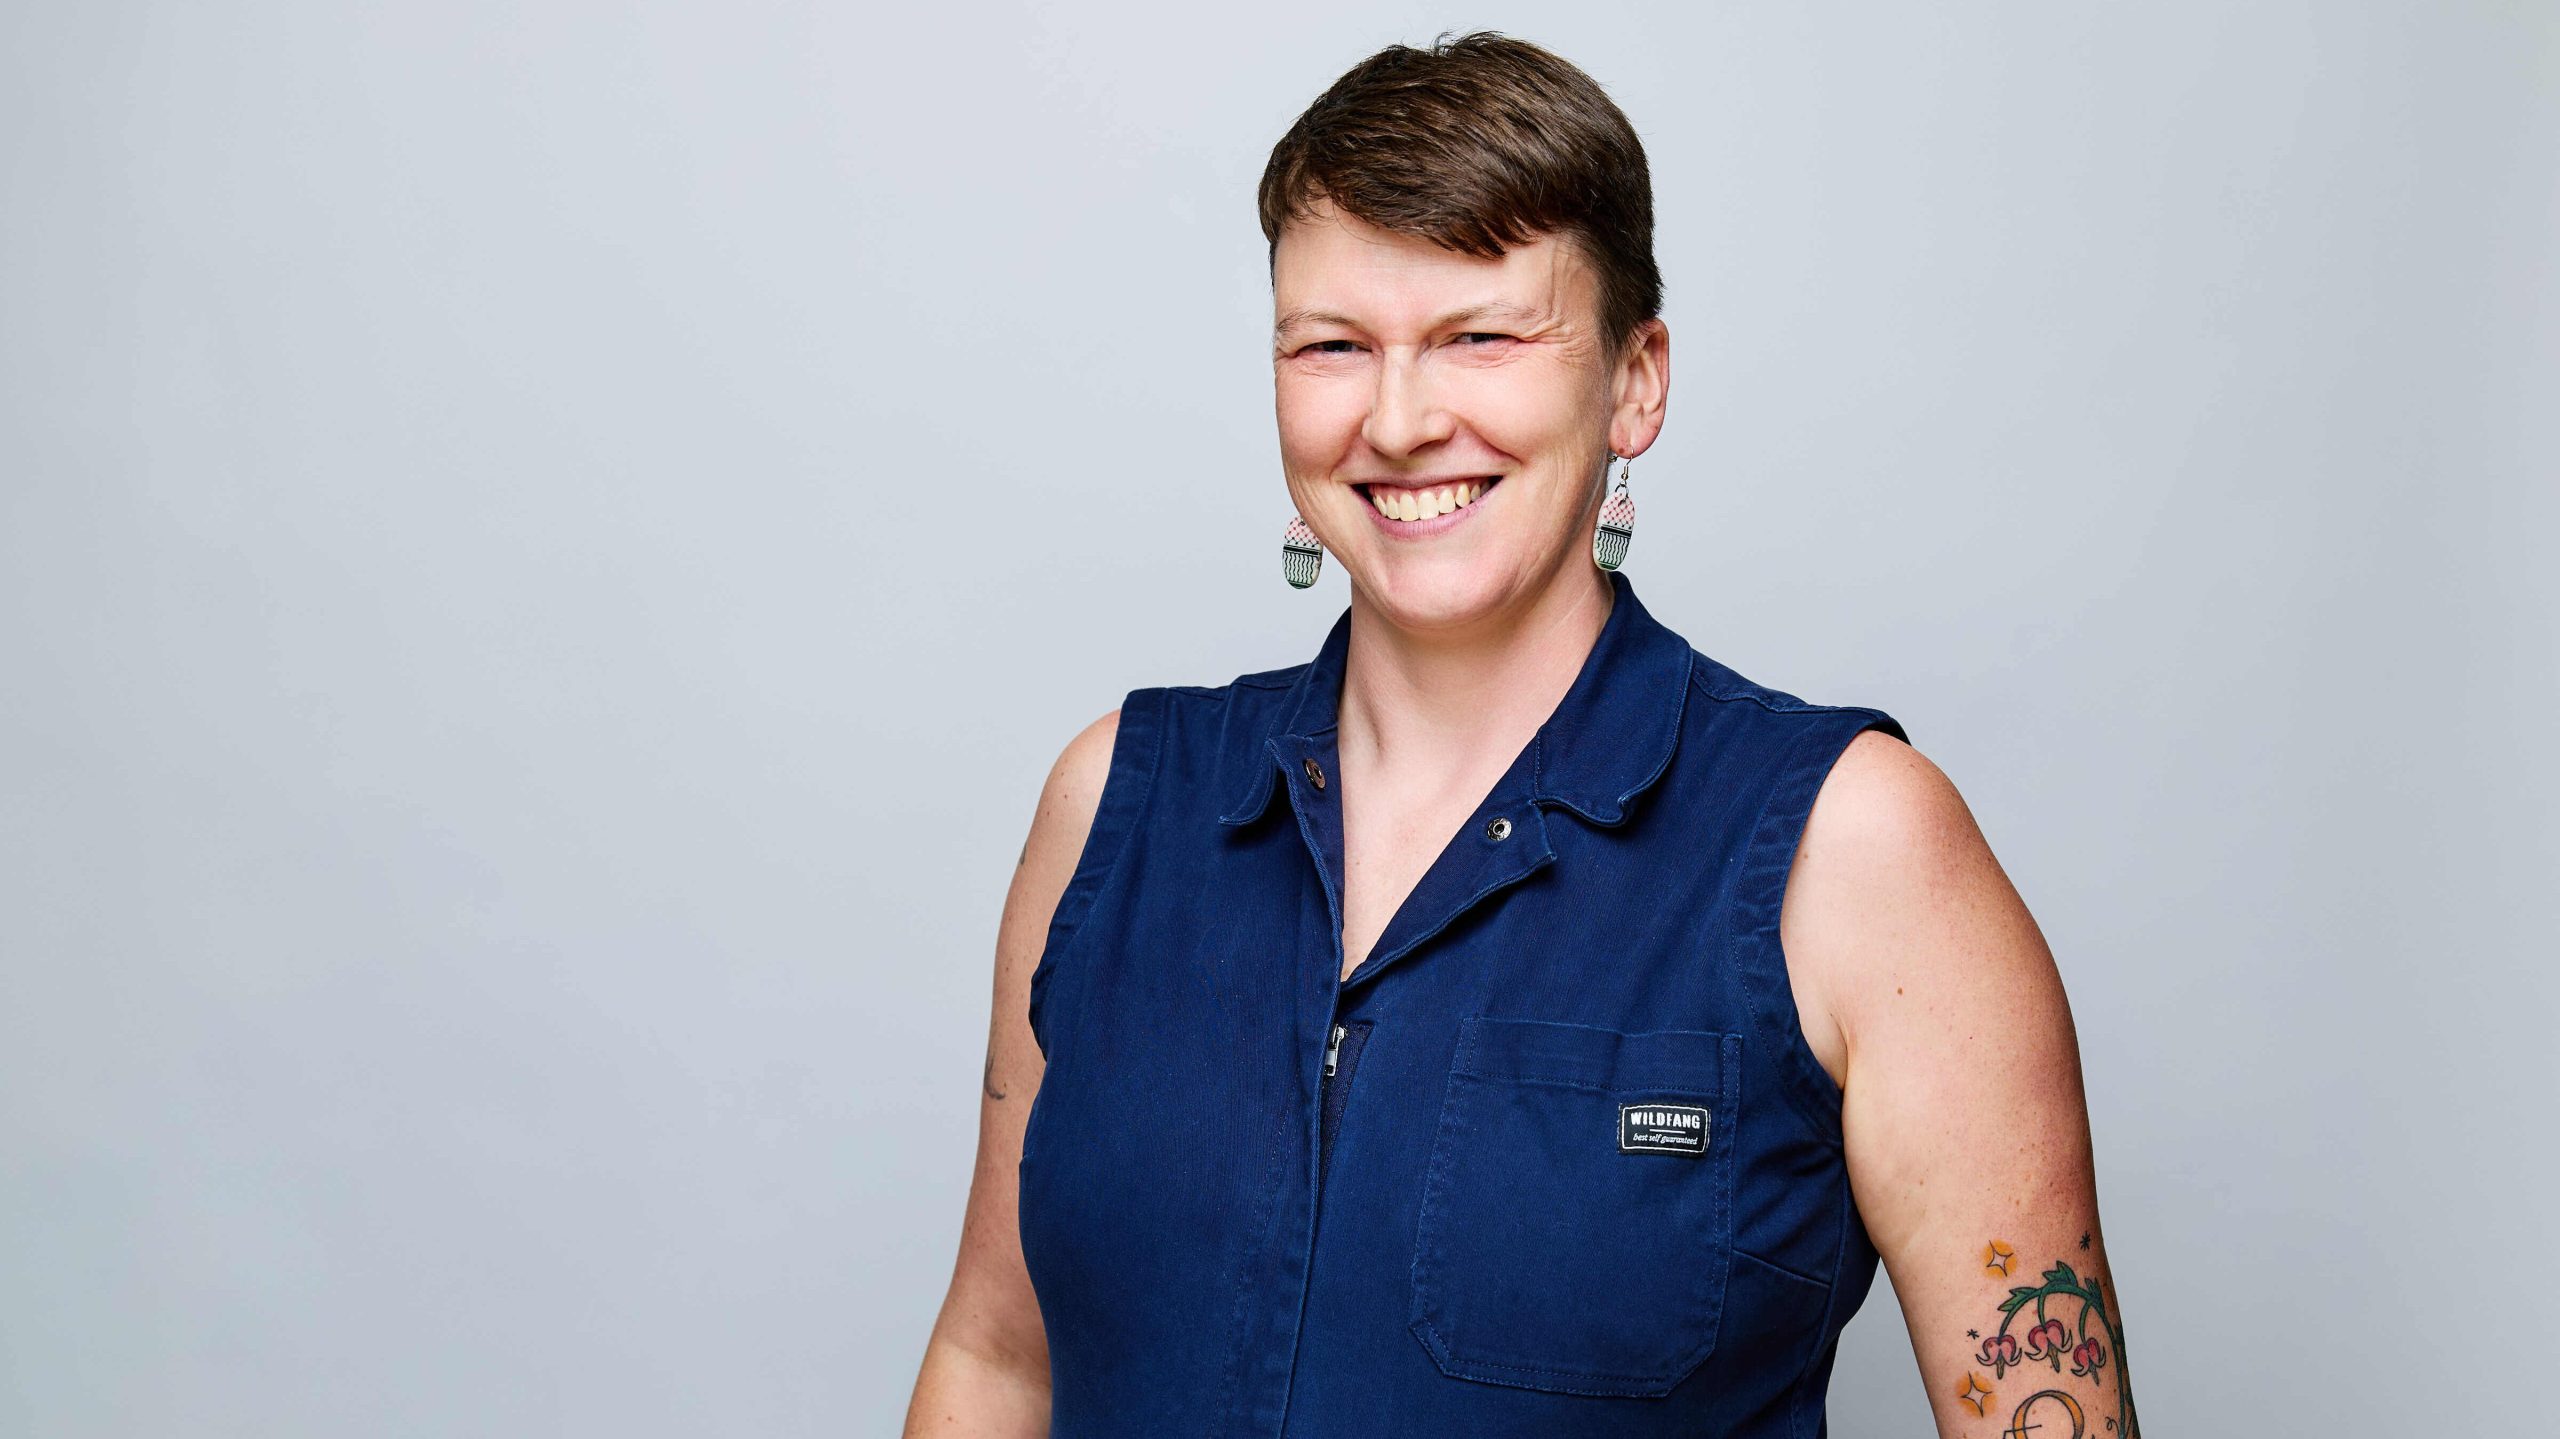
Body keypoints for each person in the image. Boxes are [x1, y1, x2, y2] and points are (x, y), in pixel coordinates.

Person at [906, 32, 2138, 1439]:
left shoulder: (1853, 849)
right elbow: (996, 1361)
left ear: (1635, 381)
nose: (1401, 417)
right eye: (1332, 346)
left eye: (1482, 336)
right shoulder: (1112, 804)